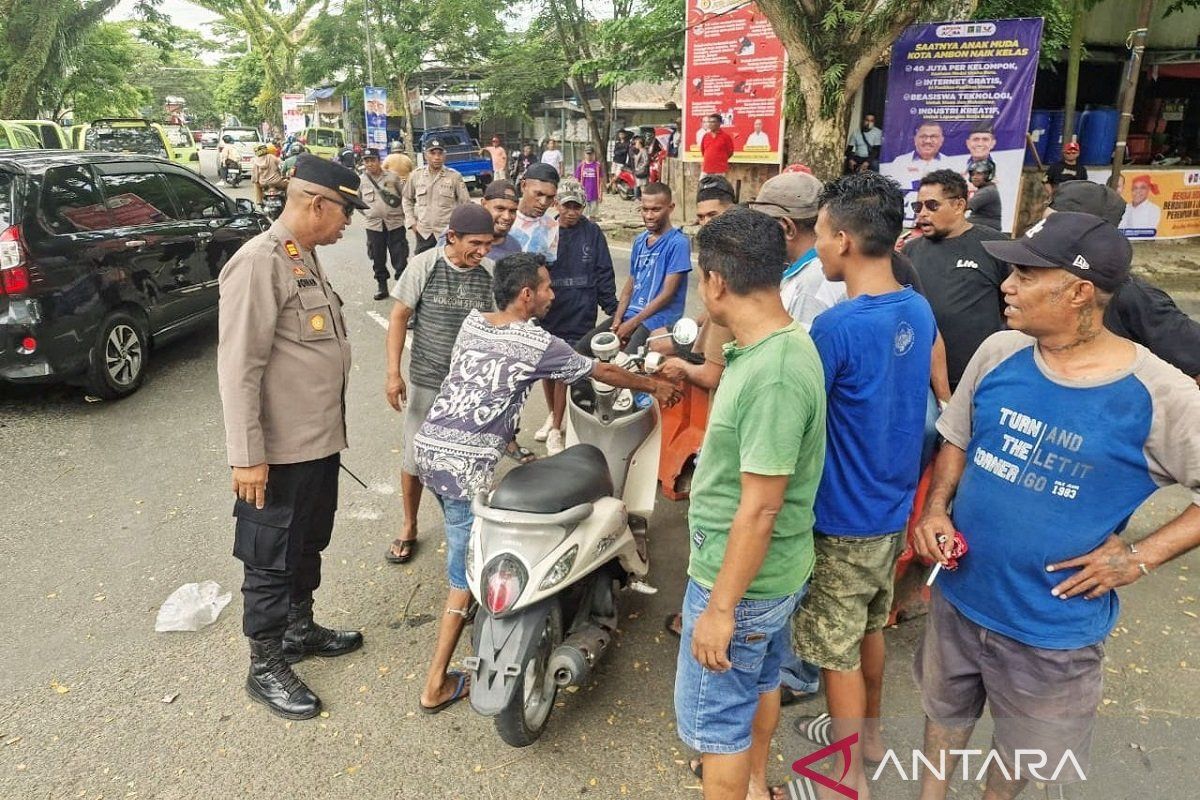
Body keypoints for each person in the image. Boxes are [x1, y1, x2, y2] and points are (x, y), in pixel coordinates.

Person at [912, 211, 1200, 800]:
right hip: (960, 601)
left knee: (1025, 753)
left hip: (1051, 632)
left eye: (1024, 272)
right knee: (943, 714)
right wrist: (937, 508)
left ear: (1079, 292)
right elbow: (958, 438)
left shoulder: (1162, 394)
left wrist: (1140, 557)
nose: (1006, 285)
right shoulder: (999, 353)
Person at [413, 252, 680, 714]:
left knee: (472, 542)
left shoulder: (475, 323)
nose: (552, 294)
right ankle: (435, 682)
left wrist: (511, 445)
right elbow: (604, 372)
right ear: (525, 295)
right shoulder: (536, 342)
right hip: (464, 466)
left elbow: (477, 384)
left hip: (427, 450)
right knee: (462, 578)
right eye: (546, 287)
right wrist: (654, 386)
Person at [790, 173, 937, 800]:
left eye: (820, 236)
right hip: (891, 505)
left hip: (842, 514)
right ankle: (870, 738)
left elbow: (801, 418)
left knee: (834, 647)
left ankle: (847, 775)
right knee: (870, 625)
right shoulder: (916, 305)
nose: (817, 248)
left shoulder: (838, 327)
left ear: (845, 239)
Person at [674, 207, 827, 800]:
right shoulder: (767, 347)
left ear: (714, 281)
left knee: (718, 732)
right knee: (760, 684)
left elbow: (761, 508)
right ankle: (759, 784)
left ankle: (742, 780)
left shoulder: (775, 372)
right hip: (771, 576)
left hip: (741, 583)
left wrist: (719, 609)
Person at [216, 154, 368, 720]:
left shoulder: (303, 257)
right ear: (316, 203)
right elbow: (239, 368)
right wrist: (247, 457)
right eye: (344, 211)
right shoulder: (259, 262)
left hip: (318, 444)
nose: (347, 222)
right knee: (269, 559)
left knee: (307, 544)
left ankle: (298, 630)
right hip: (275, 455)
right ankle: (265, 665)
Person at [383, 204, 497, 566]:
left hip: (470, 387)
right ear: (452, 237)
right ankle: (409, 524)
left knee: (469, 460)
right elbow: (399, 315)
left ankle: (472, 527)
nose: (482, 251)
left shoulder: (490, 274)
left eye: (488, 244)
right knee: (415, 458)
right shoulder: (425, 265)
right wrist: (392, 373)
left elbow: (499, 325)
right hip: (428, 379)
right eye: (475, 243)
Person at [1049, 180, 1200, 384]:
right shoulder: (1030, 279)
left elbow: (1193, 354)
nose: (1039, 235)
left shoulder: (1129, 295)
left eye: (1052, 226)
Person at [532, 178, 618, 455]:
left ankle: (557, 427)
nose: (571, 212)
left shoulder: (592, 233)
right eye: (566, 205)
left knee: (565, 371)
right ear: (557, 204)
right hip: (552, 309)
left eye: (577, 207)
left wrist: (611, 306)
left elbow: (603, 269)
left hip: (581, 309)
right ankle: (552, 416)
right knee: (548, 368)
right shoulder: (545, 230)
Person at [903, 169, 1009, 389]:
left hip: (978, 379)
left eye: (932, 205)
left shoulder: (995, 246)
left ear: (959, 206)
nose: (922, 213)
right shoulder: (910, 251)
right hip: (919, 377)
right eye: (917, 206)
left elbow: (1013, 306)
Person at [748, 171, 846, 328]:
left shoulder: (810, 286)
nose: (756, 233)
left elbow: (802, 351)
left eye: (759, 225)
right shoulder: (826, 268)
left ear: (787, 228)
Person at [612, 182, 690, 354]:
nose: (649, 215)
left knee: (624, 366)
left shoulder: (678, 243)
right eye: (644, 209)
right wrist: (617, 320)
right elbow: (630, 284)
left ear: (670, 208)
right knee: (583, 352)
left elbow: (667, 295)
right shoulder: (640, 241)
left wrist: (631, 324)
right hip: (632, 314)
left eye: (655, 209)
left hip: (659, 318)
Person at [402, 138, 470, 255]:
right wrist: (412, 223)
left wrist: (459, 228)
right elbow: (407, 199)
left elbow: (466, 205)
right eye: (432, 153)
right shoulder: (416, 175)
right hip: (424, 233)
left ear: (445, 155)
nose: (437, 157)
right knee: (423, 269)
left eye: (440, 153)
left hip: (446, 233)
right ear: (425, 155)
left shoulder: (454, 176)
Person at [359, 148, 408, 300]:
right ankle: (382, 286)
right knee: (377, 257)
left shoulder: (393, 177)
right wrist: (369, 214)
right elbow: (357, 201)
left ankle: (402, 288)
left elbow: (404, 196)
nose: (370, 164)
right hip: (374, 226)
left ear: (379, 161)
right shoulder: (361, 181)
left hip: (395, 223)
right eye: (366, 161)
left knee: (400, 256)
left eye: (372, 160)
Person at [509, 162, 560, 264]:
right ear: (523, 186)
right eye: (539, 194)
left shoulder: (551, 226)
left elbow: (549, 265)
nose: (543, 202)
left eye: (550, 197)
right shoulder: (503, 218)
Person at [479, 179, 523, 261]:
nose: (507, 217)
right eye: (500, 208)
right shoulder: (461, 240)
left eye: (512, 211)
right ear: (484, 205)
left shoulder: (514, 247)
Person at [966, 158, 1002, 231]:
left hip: (986, 229)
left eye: (979, 174)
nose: (975, 177)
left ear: (988, 176)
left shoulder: (987, 191)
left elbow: (964, 206)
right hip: (981, 227)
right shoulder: (985, 189)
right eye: (973, 174)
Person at [573, 145, 604, 217]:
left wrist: (601, 194)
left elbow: (601, 181)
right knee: (583, 215)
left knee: (593, 216)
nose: (589, 156)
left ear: (593, 154)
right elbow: (577, 181)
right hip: (583, 194)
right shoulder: (581, 166)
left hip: (594, 194)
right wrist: (577, 193)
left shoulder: (597, 166)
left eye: (590, 154)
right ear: (584, 154)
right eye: (587, 154)